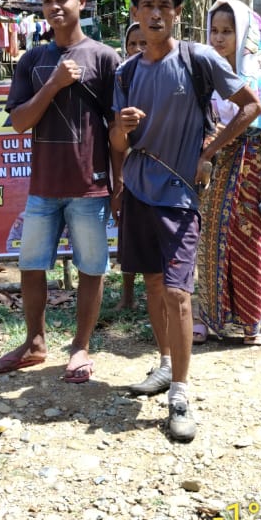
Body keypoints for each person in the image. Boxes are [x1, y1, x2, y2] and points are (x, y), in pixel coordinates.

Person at [111, 0, 260, 442]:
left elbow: (250, 106)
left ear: (177, 13)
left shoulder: (199, 59)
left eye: (164, 5)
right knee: (154, 283)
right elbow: (115, 144)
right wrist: (121, 128)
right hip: (137, 189)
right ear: (134, 12)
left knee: (178, 291)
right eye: (147, 5)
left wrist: (206, 153)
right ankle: (162, 363)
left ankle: (180, 392)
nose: (155, 13)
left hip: (178, 194)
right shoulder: (126, 71)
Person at [0, 0, 121, 383]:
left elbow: (116, 129)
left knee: (91, 268)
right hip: (43, 187)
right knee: (31, 265)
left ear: (81, 2)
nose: (53, 7)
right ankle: (35, 342)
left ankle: (80, 347)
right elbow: (20, 122)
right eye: (46, 0)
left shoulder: (104, 57)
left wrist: (117, 185)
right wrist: (54, 85)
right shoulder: (33, 59)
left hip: (89, 185)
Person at [194, 0, 261, 346]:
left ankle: (253, 321)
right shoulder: (205, 71)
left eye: (227, 31)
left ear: (244, 33)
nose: (219, 38)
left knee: (252, 238)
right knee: (210, 237)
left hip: (251, 162)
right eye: (215, 31)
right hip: (214, 164)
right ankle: (208, 316)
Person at [116, 21, 147, 311]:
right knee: (127, 236)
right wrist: (119, 178)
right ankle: (127, 297)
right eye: (133, 44)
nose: (138, 48)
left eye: (143, 43)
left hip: (157, 171)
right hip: (127, 169)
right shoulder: (121, 80)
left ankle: (158, 298)